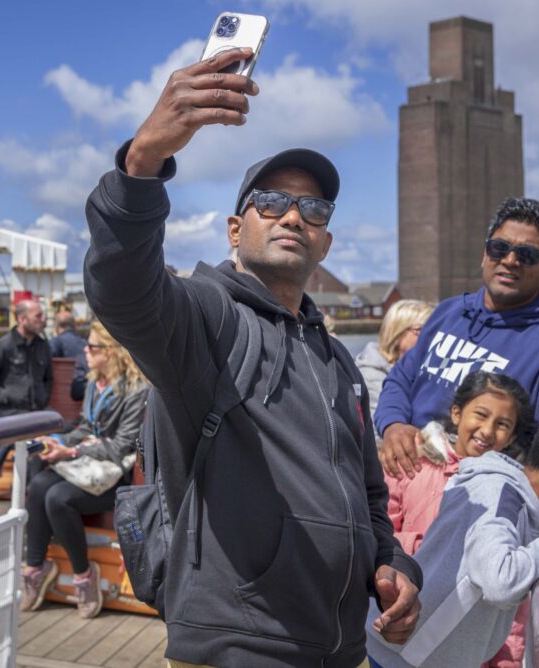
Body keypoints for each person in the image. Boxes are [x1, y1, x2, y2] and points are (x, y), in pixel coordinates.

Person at [83, 47, 421, 667]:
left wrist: (391, 563)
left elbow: (369, 493)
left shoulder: (339, 360)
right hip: (240, 644)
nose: (294, 214)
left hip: (340, 646)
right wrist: (143, 161)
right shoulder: (206, 318)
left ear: (326, 240)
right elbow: (123, 288)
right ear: (236, 229)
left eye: (314, 209)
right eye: (272, 202)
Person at [366, 395, 539, 667]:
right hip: (402, 656)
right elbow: (499, 580)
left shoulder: (520, 501)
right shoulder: (499, 495)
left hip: (415, 654)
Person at [376, 197, 539, 481]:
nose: (509, 261)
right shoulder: (448, 312)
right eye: (499, 248)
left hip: (472, 505)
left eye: (527, 254)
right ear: (484, 253)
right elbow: (400, 380)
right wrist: (393, 426)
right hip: (402, 484)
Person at [384, 371, 534, 668]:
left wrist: (507, 662)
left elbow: (512, 605)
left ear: (513, 436)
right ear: (456, 413)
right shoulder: (410, 462)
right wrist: (423, 546)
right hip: (392, 629)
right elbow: (377, 532)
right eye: (480, 414)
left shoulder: (511, 498)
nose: (488, 431)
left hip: (459, 650)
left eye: (503, 425)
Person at [21, 321, 148, 619]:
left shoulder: (136, 390)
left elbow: (120, 447)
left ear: (113, 352)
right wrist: (58, 441)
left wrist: (74, 450)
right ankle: (36, 566)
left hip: (115, 477)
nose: (85, 352)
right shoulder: (94, 384)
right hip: (88, 468)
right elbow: (86, 428)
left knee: (57, 498)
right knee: (39, 482)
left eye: (92, 347)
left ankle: (84, 576)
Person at [354, 299, 434, 423]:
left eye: (434, 332)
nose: (430, 339)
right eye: (421, 331)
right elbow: (378, 431)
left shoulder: (428, 368)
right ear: (397, 333)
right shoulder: (370, 375)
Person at [0, 299, 52, 417]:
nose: (43, 320)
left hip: (37, 413)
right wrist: (3, 396)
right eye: (38, 316)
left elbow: (48, 378)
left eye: (43, 316)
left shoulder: (43, 345)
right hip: (11, 414)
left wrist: (43, 396)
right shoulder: (4, 345)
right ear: (21, 319)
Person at [49, 310, 89, 401]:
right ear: (75, 326)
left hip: (59, 398)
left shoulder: (55, 342)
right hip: (82, 397)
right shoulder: (86, 344)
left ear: (56, 327)